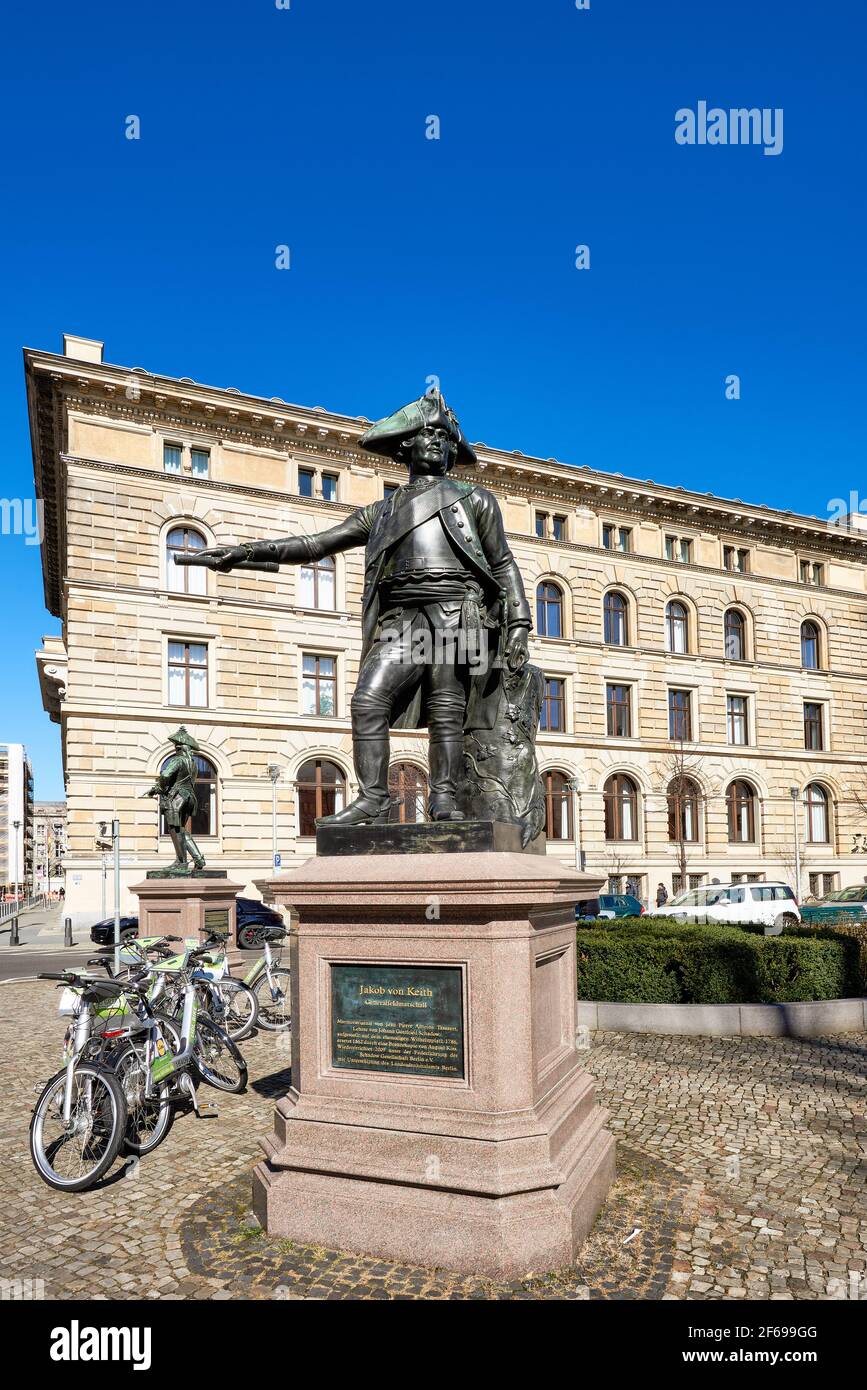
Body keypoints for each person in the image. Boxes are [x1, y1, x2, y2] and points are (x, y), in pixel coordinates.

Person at [188, 391, 532, 826]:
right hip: (401, 618)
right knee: (368, 701)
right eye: (427, 434)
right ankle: (374, 797)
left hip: (457, 610)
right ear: (405, 446)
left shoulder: (475, 499)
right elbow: (317, 544)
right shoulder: (382, 511)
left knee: (448, 709)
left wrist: (518, 622)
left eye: (444, 438)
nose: (437, 443)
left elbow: (502, 563)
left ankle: (443, 798)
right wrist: (243, 552)